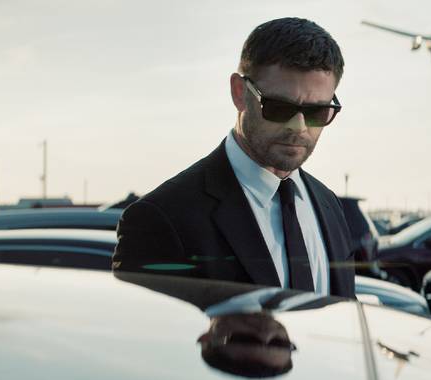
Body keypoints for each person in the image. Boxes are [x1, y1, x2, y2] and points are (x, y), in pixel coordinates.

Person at [113, 17, 354, 298]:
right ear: (239, 93)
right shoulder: (162, 219)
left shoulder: (328, 205)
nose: (298, 127)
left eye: (317, 112)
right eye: (279, 108)